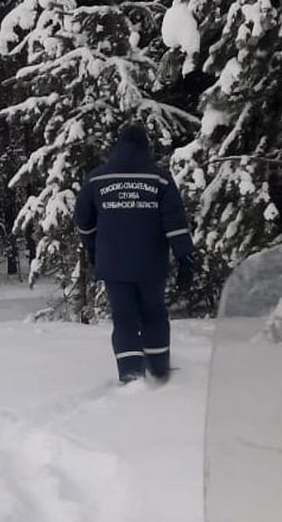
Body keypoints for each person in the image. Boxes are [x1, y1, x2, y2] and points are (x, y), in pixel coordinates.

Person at [74, 124, 195, 384]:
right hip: (151, 263)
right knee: (154, 313)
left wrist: (93, 247)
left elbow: (83, 220)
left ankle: (131, 374)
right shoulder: (159, 178)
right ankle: (159, 369)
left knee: (124, 317)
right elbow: (174, 221)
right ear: (145, 147)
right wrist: (185, 257)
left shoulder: (97, 178)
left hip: (113, 264)